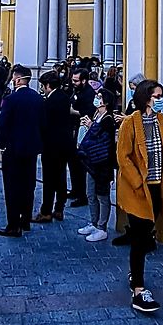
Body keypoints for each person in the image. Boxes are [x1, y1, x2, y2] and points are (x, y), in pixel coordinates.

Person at [116, 79, 163, 313]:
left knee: (148, 234)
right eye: (156, 96)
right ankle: (139, 289)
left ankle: (135, 273)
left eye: (161, 95)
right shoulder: (131, 123)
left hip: (158, 187)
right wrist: (137, 181)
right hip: (139, 189)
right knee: (140, 237)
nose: (160, 100)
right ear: (145, 97)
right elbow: (124, 156)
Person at [0, 65, 43, 238]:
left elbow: (3, 124)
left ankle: (13, 224)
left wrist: (0, 144)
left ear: (18, 79)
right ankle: (26, 219)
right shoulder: (38, 98)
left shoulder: (11, 99)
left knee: (12, 186)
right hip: (31, 148)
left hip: (13, 148)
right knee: (28, 184)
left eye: (14, 78)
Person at [111, 72, 148, 245]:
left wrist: (127, 119)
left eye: (134, 89)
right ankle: (129, 229)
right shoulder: (132, 103)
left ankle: (145, 236)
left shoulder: (148, 107)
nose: (131, 92)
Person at [76, 90, 116, 242]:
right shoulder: (96, 114)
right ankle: (94, 222)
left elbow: (103, 139)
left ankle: (102, 226)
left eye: (99, 97)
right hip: (91, 162)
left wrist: (91, 126)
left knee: (102, 195)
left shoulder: (108, 119)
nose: (96, 99)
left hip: (102, 163)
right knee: (90, 193)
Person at [36, 70, 72, 222]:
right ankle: (59, 208)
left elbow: (44, 124)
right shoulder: (64, 97)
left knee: (49, 179)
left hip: (51, 145)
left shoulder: (48, 102)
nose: (43, 89)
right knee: (61, 176)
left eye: (43, 86)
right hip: (64, 143)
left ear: (48, 85)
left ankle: (46, 211)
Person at [67, 68, 97, 206]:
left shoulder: (89, 94)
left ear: (84, 80)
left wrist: (74, 112)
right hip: (74, 130)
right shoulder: (76, 91)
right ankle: (75, 189)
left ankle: (82, 194)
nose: (73, 82)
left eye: (76, 80)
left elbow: (89, 112)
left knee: (81, 165)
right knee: (73, 162)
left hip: (83, 132)